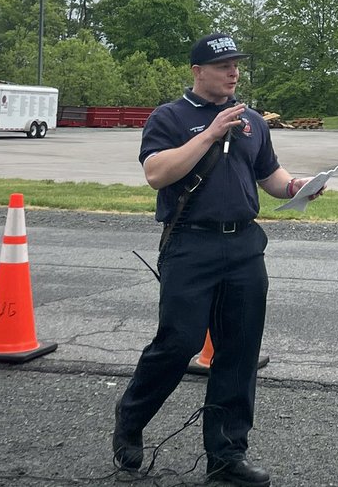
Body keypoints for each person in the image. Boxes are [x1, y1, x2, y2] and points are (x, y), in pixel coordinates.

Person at [113, 33, 323, 486]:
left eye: (236, 64)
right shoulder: (169, 117)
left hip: (244, 245)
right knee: (179, 342)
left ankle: (227, 455)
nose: (233, 72)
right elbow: (156, 174)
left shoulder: (253, 122)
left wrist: (296, 186)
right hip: (191, 244)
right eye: (223, 64)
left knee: (239, 351)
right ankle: (131, 418)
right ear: (197, 71)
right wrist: (210, 133)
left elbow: (269, 175)